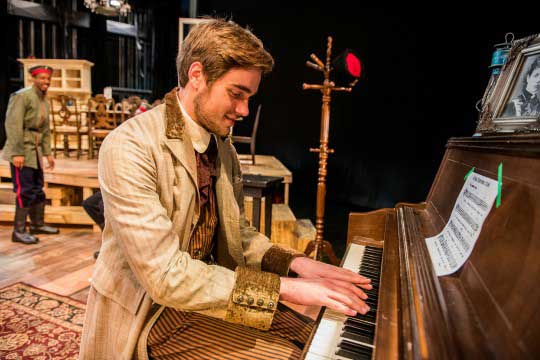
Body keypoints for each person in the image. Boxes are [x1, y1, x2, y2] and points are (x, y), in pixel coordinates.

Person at [79, 18, 372, 360]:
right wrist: (287, 289)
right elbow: (165, 276)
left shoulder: (223, 147)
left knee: (312, 337)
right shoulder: (130, 145)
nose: (245, 110)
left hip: (207, 295)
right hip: (149, 313)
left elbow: (239, 234)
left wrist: (298, 265)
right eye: (236, 94)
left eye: (249, 97)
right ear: (197, 75)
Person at [2, 65, 59, 245]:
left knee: (37, 188)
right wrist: (17, 152)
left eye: (48, 79)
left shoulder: (43, 99)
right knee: (24, 191)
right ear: (33, 79)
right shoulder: (22, 96)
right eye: (42, 78)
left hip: (35, 152)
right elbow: (13, 125)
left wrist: (48, 153)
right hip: (23, 151)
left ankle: (37, 224)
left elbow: (45, 130)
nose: (46, 82)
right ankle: (18, 231)